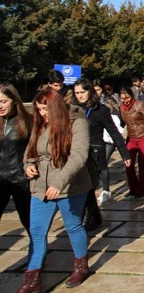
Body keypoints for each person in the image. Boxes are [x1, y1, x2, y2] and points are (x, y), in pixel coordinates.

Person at [19, 88, 92, 291]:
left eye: (46, 109)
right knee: (37, 230)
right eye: (39, 109)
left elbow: (78, 156)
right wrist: (28, 165)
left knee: (73, 226)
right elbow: (30, 151)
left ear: (57, 107)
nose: (43, 114)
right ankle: (32, 279)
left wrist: (59, 183)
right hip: (41, 186)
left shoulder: (77, 122)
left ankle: (81, 265)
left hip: (71, 186)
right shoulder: (40, 124)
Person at [73, 79, 131, 230]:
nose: (79, 96)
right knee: (84, 188)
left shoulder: (101, 110)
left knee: (87, 187)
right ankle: (94, 216)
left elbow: (114, 132)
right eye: (77, 93)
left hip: (93, 154)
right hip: (75, 154)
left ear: (90, 91)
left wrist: (125, 154)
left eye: (82, 92)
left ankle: (90, 217)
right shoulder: (72, 109)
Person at [0, 83, 33, 259]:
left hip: (20, 178)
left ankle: (36, 257)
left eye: (3, 101)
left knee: (28, 221)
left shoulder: (27, 121)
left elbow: (34, 149)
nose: (0, 106)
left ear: (13, 100)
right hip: (0, 180)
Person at [118, 87, 144, 199]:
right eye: (123, 99)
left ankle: (141, 189)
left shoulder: (140, 105)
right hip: (131, 138)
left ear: (132, 96)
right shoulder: (121, 108)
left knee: (142, 163)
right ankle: (132, 188)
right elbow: (122, 123)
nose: (126, 101)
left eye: (127, 98)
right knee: (128, 164)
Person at [92, 79, 124, 204]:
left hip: (109, 137)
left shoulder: (109, 101)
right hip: (96, 137)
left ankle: (106, 190)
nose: (96, 93)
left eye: (98, 90)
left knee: (103, 161)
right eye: (94, 90)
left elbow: (117, 119)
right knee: (96, 163)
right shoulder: (89, 103)